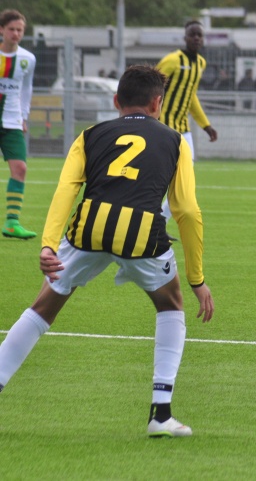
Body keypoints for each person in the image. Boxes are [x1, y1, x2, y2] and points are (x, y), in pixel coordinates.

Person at [0, 65, 215, 437]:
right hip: (141, 235)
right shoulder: (176, 142)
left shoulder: (90, 135)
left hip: (88, 229)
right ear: (157, 103)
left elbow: (65, 190)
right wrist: (197, 278)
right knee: (171, 303)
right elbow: (186, 211)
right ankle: (160, 415)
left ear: (115, 101)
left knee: (43, 308)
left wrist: (49, 245)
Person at [156, 20, 218, 221]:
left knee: (184, 177)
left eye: (199, 35)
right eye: (192, 34)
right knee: (162, 174)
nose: (196, 38)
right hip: (163, 127)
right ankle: (149, 217)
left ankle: (160, 221)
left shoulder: (200, 63)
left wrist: (206, 125)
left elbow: (191, 96)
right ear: (185, 38)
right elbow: (151, 86)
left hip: (184, 129)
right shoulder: (173, 60)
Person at [0, 9, 37, 239]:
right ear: (1, 30)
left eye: (19, 30)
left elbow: (26, 89)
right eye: (11, 29)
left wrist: (24, 116)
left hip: (12, 121)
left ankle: (12, 223)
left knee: (20, 169)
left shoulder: (28, 59)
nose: (15, 34)